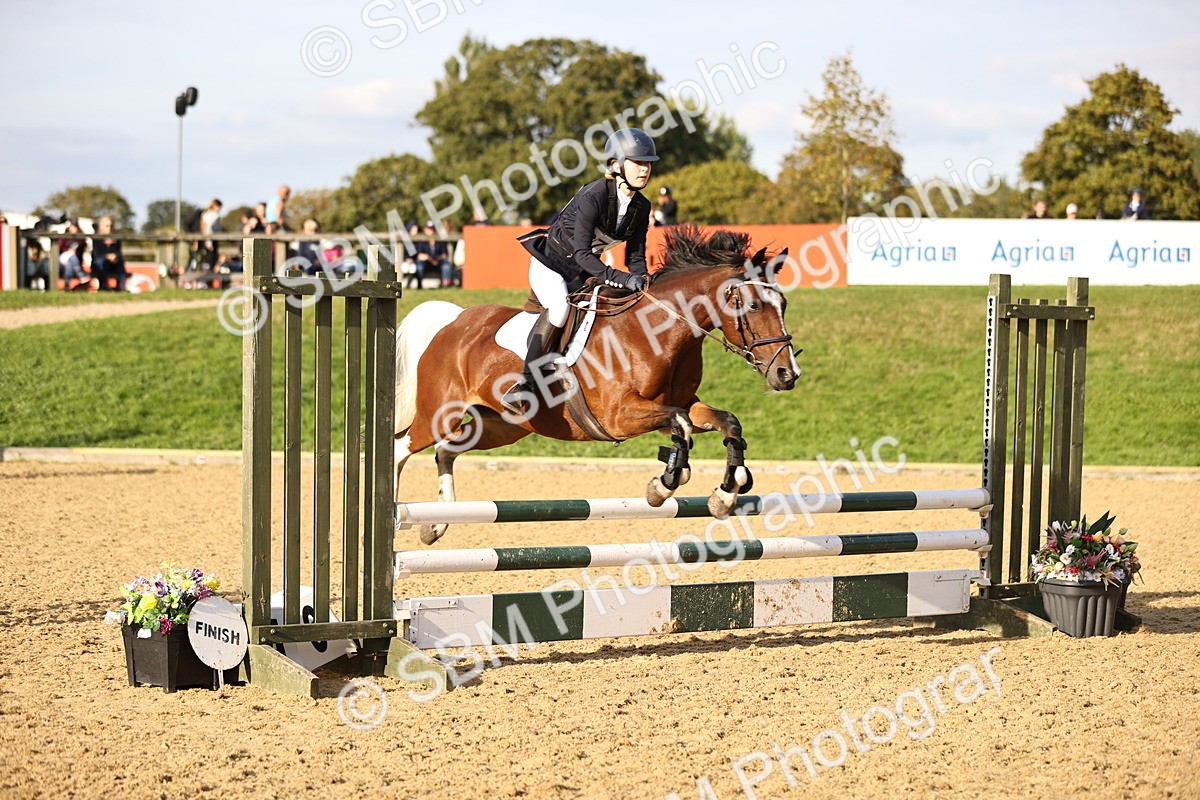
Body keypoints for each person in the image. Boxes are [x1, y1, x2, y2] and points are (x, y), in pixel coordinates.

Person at [500, 126, 656, 413]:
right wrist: (621, 278)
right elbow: (583, 252)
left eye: (648, 164)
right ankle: (526, 384)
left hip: (584, 271)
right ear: (616, 165)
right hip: (552, 265)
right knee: (559, 309)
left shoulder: (641, 207)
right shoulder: (593, 195)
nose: (645, 169)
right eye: (638, 162)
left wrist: (644, 281)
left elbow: (635, 256)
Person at [91, 215, 126, 291]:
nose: (109, 228)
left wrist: (115, 256)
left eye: (111, 225)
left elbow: (118, 252)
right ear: (101, 226)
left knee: (121, 263)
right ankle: (103, 286)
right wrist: (107, 256)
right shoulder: (96, 238)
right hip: (100, 263)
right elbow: (97, 253)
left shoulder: (116, 238)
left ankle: (121, 287)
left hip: (113, 263)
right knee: (101, 262)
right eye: (107, 226)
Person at [417, 220, 452, 287]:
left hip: (438, 262)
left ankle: (447, 286)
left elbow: (445, 255)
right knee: (419, 265)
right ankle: (419, 286)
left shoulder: (441, 241)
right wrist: (430, 259)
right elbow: (420, 255)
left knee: (446, 265)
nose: (431, 231)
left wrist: (436, 259)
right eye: (429, 229)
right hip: (426, 263)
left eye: (433, 228)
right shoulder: (422, 241)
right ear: (425, 230)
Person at [57, 220, 90, 289]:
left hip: (74, 262)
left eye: (74, 226)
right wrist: (68, 250)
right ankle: (81, 276)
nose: (73, 228)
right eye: (71, 226)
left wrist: (75, 249)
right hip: (63, 259)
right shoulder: (64, 237)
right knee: (71, 256)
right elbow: (59, 248)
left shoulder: (80, 238)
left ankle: (67, 286)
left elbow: (83, 246)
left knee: (70, 262)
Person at [199, 198, 223, 268]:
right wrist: (209, 242)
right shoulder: (214, 215)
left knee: (207, 262)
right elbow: (209, 228)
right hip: (211, 240)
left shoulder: (205, 213)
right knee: (211, 262)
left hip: (206, 240)